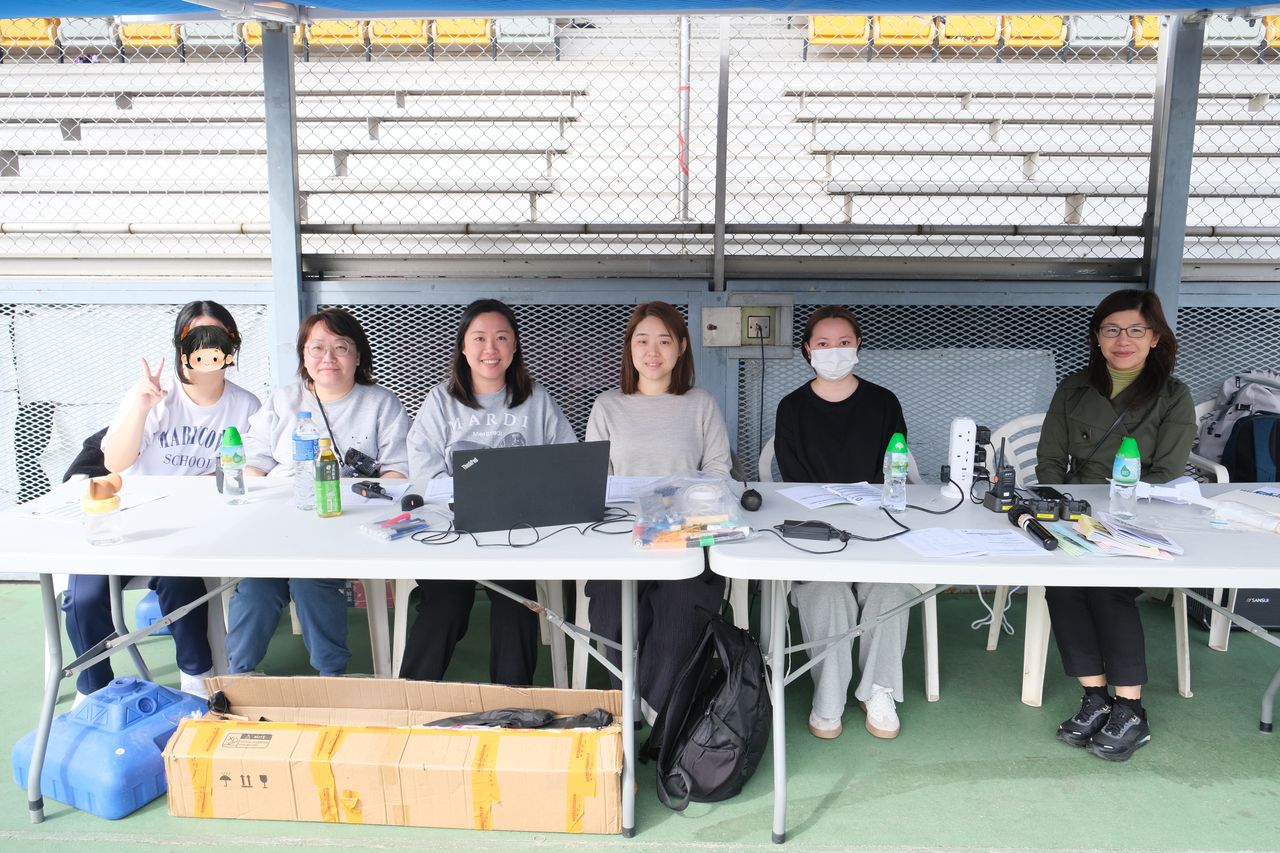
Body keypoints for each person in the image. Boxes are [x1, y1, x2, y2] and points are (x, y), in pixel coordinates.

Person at [63, 300, 261, 702]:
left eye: (216, 338)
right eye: (196, 338)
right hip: (127, 523)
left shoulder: (246, 406)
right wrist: (140, 408)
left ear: (232, 346)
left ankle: (196, 678)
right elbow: (114, 463)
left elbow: (251, 472)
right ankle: (93, 691)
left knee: (180, 579)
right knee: (83, 597)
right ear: (180, 346)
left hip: (192, 529)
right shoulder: (154, 397)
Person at [1036, 288, 1196, 761]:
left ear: (1155, 337)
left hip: (1140, 519)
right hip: (1079, 516)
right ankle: (1095, 696)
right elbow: (1049, 462)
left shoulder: (1173, 395)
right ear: (1097, 336)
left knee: (1108, 586)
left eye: (1135, 330)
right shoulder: (1073, 388)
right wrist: (1068, 511)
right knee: (1062, 585)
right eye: (1111, 330)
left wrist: (1118, 518)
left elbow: (1167, 472)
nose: (1122, 340)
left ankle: (1130, 708)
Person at [400, 299, 576, 685]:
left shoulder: (537, 400)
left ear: (515, 347)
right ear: (463, 347)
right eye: (479, 338)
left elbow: (567, 462)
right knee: (445, 605)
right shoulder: (440, 401)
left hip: (517, 533)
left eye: (501, 338)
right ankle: (412, 700)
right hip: (451, 531)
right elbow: (424, 470)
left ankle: (511, 706)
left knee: (516, 603)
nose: (490, 349)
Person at [227, 308, 411, 677]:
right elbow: (253, 461)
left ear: (358, 356)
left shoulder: (381, 403)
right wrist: (261, 498)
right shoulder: (283, 400)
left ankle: (332, 677)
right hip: (281, 521)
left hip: (346, 522)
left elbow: (399, 471)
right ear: (304, 355)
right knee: (257, 587)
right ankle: (238, 675)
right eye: (317, 348)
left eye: (341, 347)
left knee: (312, 581)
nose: (328, 358)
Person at [584, 301, 732, 720]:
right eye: (642, 341)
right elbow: (595, 478)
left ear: (681, 347)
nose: (653, 351)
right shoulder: (608, 406)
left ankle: (657, 704)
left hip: (685, 535)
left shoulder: (700, 403)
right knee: (611, 606)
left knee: (682, 609)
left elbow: (718, 470)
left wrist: (680, 502)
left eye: (664, 341)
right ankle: (627, 694)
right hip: (622, 539)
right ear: (629, 348)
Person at [773, 305, 914, 741]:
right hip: (816, 534)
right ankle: (829, 695)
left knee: (891, 588)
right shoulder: (792, 408)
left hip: (875, 530)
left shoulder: (884, 402)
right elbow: (794, 480)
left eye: (844, 342)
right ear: (807, 350)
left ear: (858, 347)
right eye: (823, 343)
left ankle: (879, 691)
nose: (834, 351)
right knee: (828, 592)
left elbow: (893, 468)